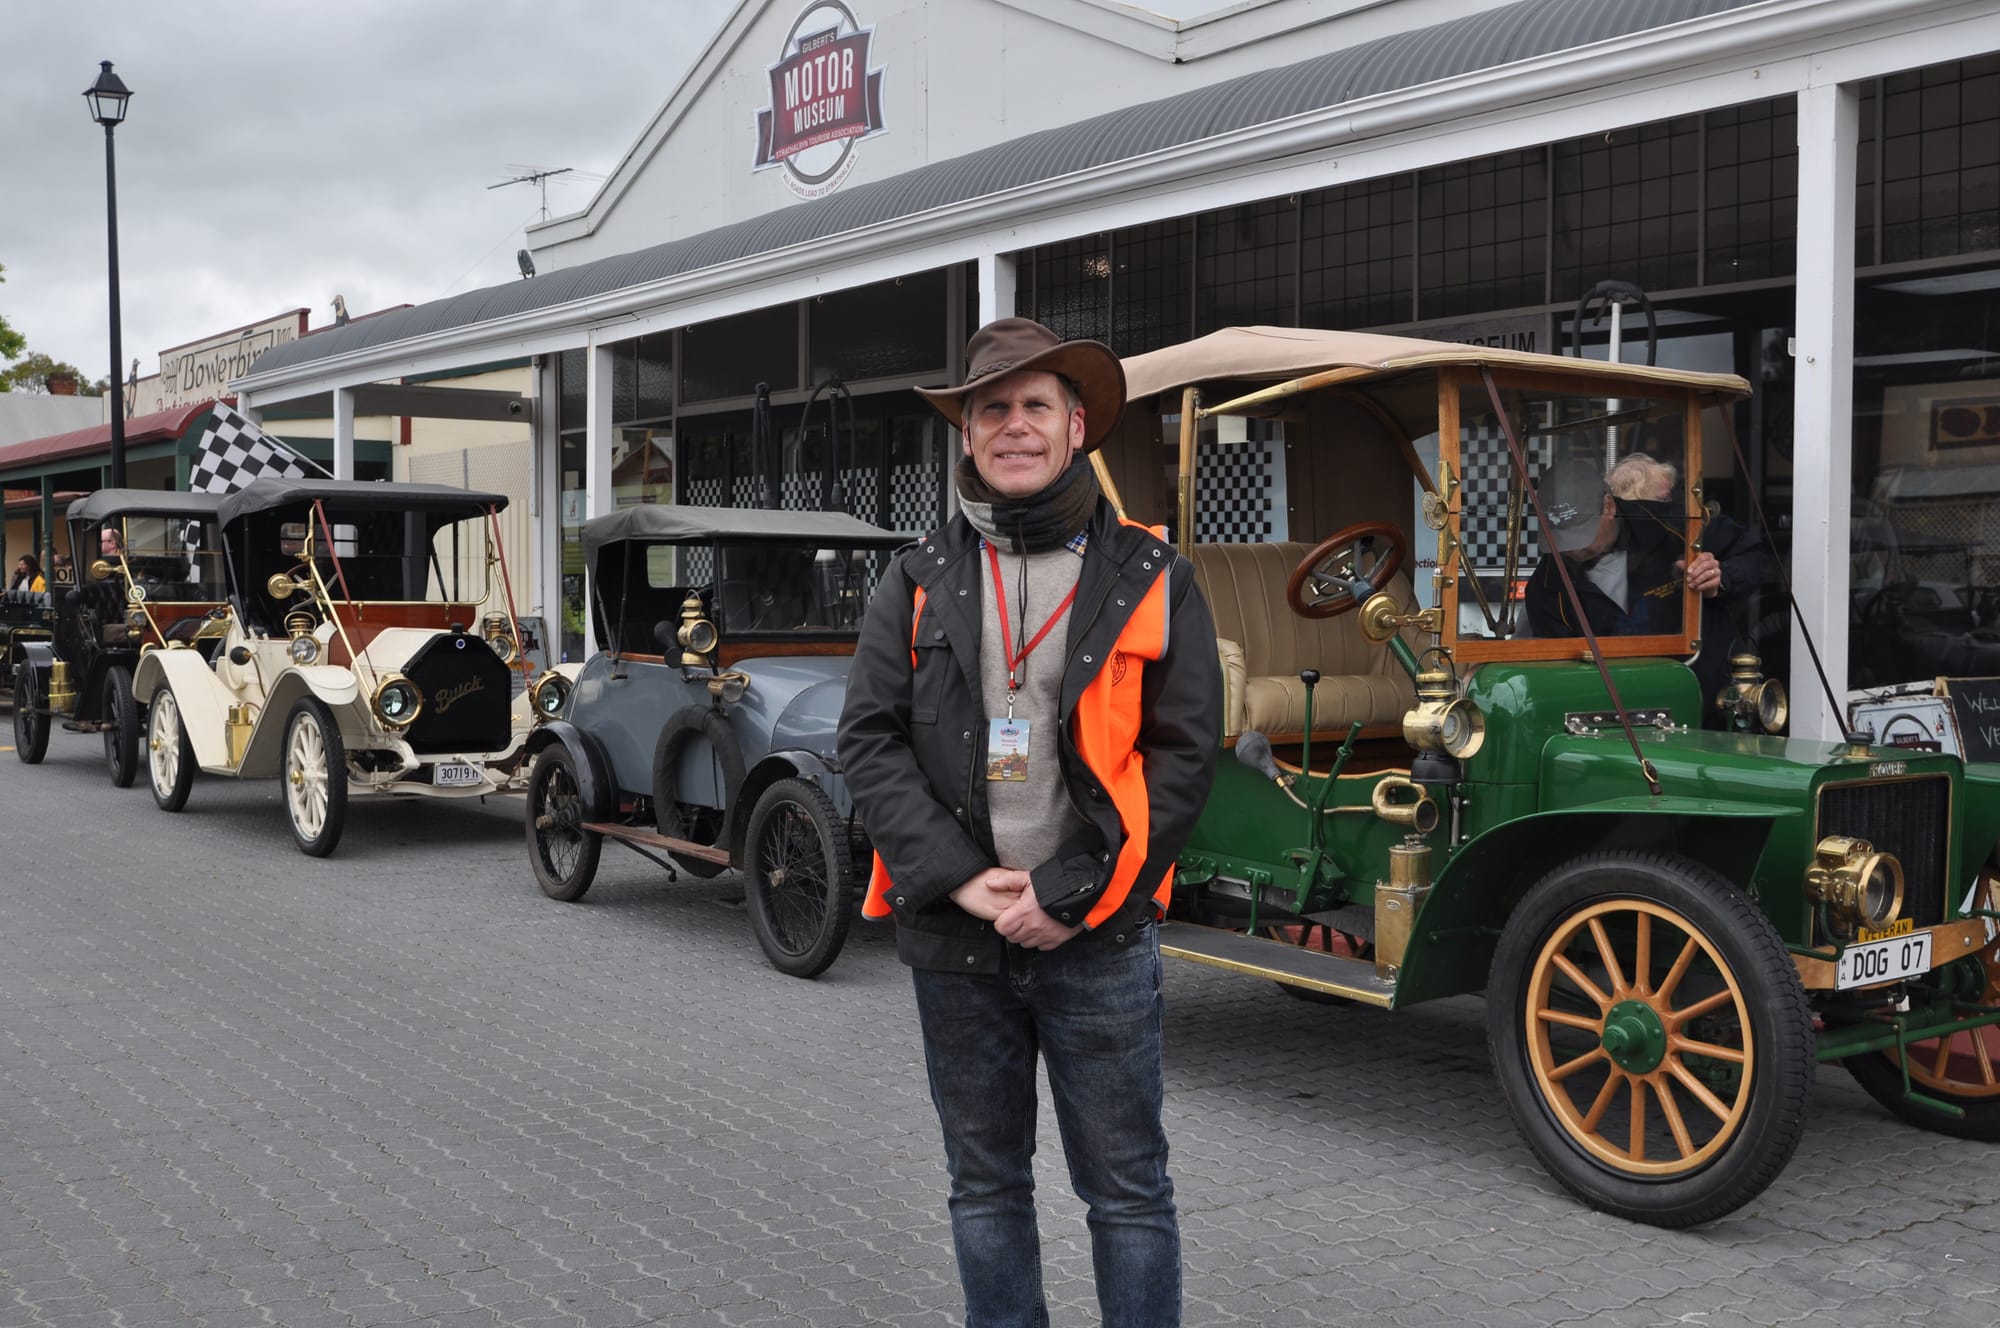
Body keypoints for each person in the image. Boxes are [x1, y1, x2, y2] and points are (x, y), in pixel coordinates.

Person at [837, 317, 1221, 1328]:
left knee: (1127, 1193)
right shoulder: (913, 579)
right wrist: (963, 878)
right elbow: (867, 743)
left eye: (1034, 405)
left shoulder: (1152, 575)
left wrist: (1070, 893)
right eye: (990, 407)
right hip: (957, 936)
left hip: (1097, 936)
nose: (1013, 425)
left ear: (1075, 424)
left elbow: (1181, 761)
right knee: (984, 1185)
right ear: (965, 433)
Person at [1605, 450, 1778, 719]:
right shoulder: (1605, 549)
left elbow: (1755, 559)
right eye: (1664, 499)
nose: (1674, 507)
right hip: (1630, 689)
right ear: (1633, 505)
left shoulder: (1701, 529)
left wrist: (1721, 577)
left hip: (1706, 687)